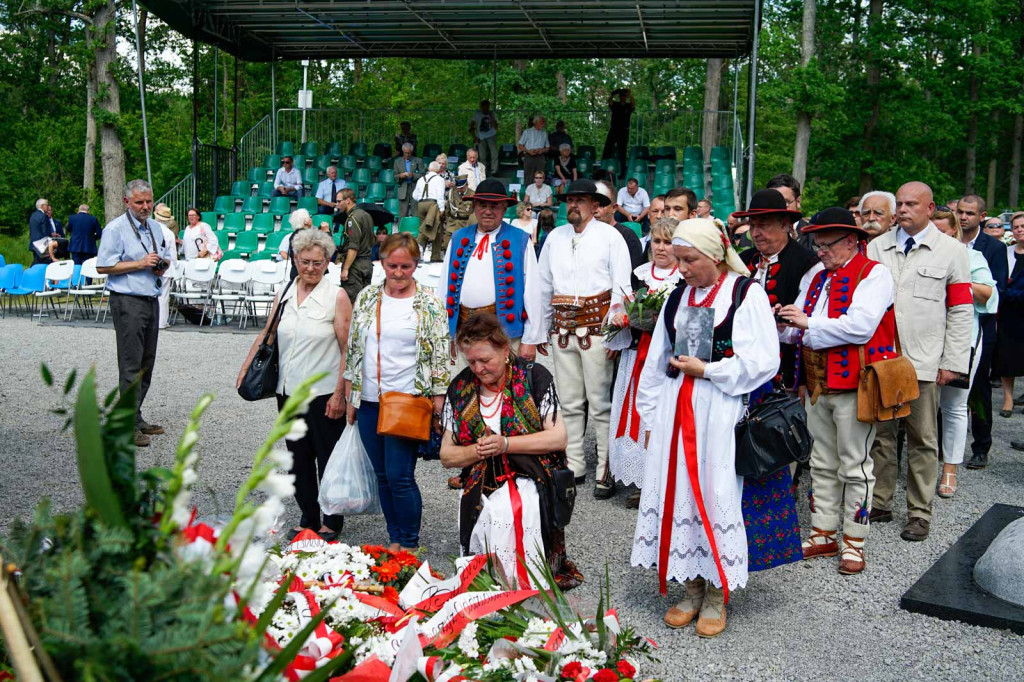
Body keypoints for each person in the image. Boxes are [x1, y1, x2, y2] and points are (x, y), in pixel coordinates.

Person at [631, 218, 780, 638]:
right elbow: (658, 358)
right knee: (678, 492)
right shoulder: (678, 297)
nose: (681, 268)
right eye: (677, 259)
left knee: (714, 494)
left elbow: (764, 360)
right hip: (676, 410)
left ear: (715, 256)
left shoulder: (744, 293)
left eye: (689, 259)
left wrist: (709, 369)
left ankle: (717, 593)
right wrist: (650, 414)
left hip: (718, 407)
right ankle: (691, 586)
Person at [776, 208, 895, 575]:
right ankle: (823, 532)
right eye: (816, 243)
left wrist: (807, 322)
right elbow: (800, 331)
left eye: (826, 244)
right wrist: (784, 323)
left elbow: (860, 327)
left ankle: (855, 542)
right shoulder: (816, 277)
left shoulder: (875, 274)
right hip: (815, 383)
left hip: (855, 384)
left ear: (850, 241)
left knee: (856, 465)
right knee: (822, 463)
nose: (819, 250)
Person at [440, 313, 583, 590]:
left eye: (486, 360)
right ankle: (488, 582)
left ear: (505, 351)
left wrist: (505, 444)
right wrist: (478, 451)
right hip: (480, 476)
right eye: (471, 362)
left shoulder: (533, 376)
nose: (479, 369)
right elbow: (447, 455)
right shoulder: (460, 387)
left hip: (532, 473)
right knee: (483, 507)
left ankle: (521, 583)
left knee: (512, 506)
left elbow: (558, 437)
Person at [866, 181, 973, 541]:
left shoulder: (951, 251)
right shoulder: (875, 246)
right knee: (881, 434)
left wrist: (953, 361)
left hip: (924, 361)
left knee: (922, 439)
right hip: (881, 359)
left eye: (912, 203)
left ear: (930, 209)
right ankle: (880, 501)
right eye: (900, 203)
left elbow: (960, 310)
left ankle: (919, 512)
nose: (903, 209)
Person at [238, 228, 352, 542]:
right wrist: (246, 367)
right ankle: (308, 516)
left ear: (328, 261)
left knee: (328, 459)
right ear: (296, 260)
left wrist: (341, 394)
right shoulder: (285, 291)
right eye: (305, 261)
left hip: (325, 393)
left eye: (318, 262)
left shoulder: (337, 295)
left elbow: (348, 349)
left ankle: (331, 519)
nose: (311, 268)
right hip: (287, 393)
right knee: (298, 458)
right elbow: (268, 335)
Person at [344, 233, 450, 552]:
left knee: (400, 475)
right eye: (392, 266)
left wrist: (438, 401)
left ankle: (409, 541)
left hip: (408, 399)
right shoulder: (367, 297)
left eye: (406, 266)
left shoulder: (429, 302)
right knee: (382, 476)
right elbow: (353, 348)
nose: (399, 273)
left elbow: (441, 353)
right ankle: (394, 537)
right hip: (369, 399)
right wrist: (351, 395)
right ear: (382, 263)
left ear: (416, 265)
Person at [538, 178, 632, 498]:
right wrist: (540, 329)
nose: (573, 205)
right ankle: (574, 463)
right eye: (570, 200)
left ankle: (606, 467)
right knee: (570, 401)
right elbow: (543, 286)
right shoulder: (554, 238)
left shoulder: (611, 237)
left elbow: (621, 286)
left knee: (601, 402)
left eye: (580, 200)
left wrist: (615, 333)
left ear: (596, 206)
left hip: (598, 329)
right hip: (562, 330)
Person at [609, 218, 682, 508]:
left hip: (669, 361)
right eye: (656, 241)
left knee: (666, 415)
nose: (661, 248)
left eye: (667, 242)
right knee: (635, 415)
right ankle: (642, 481)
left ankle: (667, 481)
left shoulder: (682, 277)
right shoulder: (638, 275)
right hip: (637, 355)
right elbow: (620, 302)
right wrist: (620, 316)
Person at [438, 177, 546, 373]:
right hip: (465, 330)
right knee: (467, 390)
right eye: (482, 205)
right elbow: (444, 289)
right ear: (474, 207)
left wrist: (531, 339)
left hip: (504, 333)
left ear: (505, 208)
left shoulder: (520, 240)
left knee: (506, 391)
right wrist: (446, 334)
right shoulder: (458, 238)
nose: (488, 211)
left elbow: (533, 292)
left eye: (494, 206)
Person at [95, 180, 173, 447]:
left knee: (146, 364)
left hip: (150, 297)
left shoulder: (154, 227)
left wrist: (160, 266)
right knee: (130, 364)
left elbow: (160, 256)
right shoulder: (115, 228)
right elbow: (103, 266)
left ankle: (135, 416)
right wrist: (140, 263)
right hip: (128, 301)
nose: (146, 207)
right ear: (127, 202)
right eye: (139, 202)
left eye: (149, 201)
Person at [931, 206, 997, 495]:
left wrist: (956, 280)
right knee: (922, 406)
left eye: (943, 232)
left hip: (963, 339)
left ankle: (950, 470)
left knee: (954, 406)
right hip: (926, 340)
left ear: (954, 233)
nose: (937, 238)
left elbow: (988, 295)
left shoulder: (972, 257)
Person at [735, 189, 821, 389]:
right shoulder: (743, 260)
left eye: (763, 226)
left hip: (787, 372)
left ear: (784, 224)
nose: (755, 233)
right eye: (753, 226)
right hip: (743, 365)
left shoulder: (808, 263)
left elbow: (808, 323)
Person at [955, 194, 1009, 470]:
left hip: (982, 325)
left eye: (970, 213)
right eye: (961, 212)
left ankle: (981, 445)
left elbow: (995, 291)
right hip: (949, 324)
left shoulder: (993, 247)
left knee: (978, 387)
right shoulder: (947, 243)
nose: (964, 217)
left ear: (982, 216)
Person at [996, 211, 1024, 419]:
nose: (1020, 230)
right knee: (1007, 356)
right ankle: (1008, 398)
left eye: (1023, 226)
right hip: (1008, 313)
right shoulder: (1005, 252)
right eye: (1016, 227)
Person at [335, 188, 375, 303]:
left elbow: (353, 247)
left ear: (347, 200)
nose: (337, 204)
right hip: (367, 263)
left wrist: (346, 269)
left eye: (339, 201)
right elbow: (372, 240)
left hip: (355, 265)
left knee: (351, 303)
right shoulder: (367, 215)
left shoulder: (352, 218)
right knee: (364, 304)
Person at [596, 180, 645, 271]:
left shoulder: (628, 237)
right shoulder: (583, 235)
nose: (595, 210)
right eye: (592, 205)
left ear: (614, 208)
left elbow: (634, 275)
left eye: (601, 205)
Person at [412, 161, 447, 261]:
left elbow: (414, 195)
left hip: (420, 204)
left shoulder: (420, 179)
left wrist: (422, 198)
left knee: (424, 227)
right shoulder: (439, 179)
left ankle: (420, 251)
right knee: (435, 228)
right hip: (432, 205)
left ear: (428, 169)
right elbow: (440, 195)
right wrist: (442, 209)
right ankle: (433, 255)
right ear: (438, 170)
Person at [766, 173, 810, 250]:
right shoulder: (753, 236)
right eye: (773, 203)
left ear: (798, 201)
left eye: (785, 202)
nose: (779, 208)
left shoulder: (813, 236)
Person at [603, 88, 634, 171]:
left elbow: (633, 105)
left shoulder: (628, 106)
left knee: (622, 151)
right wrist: (612, 94)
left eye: (624, 96)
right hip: (614, 130)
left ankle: (622, 170)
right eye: (621, 96)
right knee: (608, 148)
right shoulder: (616, 105)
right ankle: (604, 168)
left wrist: (630, 95)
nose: (622, 98)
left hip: (623, 131)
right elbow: (610, 102)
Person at [393, 143, 426, 219]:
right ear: (403, 151)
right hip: (402, 188)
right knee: (402, 214)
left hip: (415, 188)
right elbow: (394, 176)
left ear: (411, 152)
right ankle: (401, 230)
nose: (407, 155)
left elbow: (423, 175)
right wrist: (400, 176)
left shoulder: (418, 160)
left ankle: (416, 230)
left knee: (416, 213)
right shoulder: (397, 162)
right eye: (405, 153)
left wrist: (413, 175)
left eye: (409, 153)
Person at [470, 100, 499, 175]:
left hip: (491, 135)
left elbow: (496, 126)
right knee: (482, 155)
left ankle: (494, 170)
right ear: (481, 107)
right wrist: (474, 137)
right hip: (481, 136)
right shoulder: (477, 114)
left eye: (487, 107)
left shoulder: (492, 114)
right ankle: (483, 171)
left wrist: (491, 116)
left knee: (494, 153)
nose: (486, 109)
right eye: (484, 107)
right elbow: (471, 126)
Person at [517, 115, 549, 181]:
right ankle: (528, 190)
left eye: (544, 122)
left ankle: (540, 191)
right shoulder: (527, 132)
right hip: (529, 156)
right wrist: (528, 151)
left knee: (540, 177)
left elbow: (547, 147)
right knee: (528, 176)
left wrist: (542, 150)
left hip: (540, 157)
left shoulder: (544, 133)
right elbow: (520, 145)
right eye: (542, 122)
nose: (543, 124)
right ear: (536, 122)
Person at [28, 198, 53, 264]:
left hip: (33, 243)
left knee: (36, 262)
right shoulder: (43, 216)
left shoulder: (33, 215)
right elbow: (45, 231)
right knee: (44, 263)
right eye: (46, 205)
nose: (48, 207)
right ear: (42, 206)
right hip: (42, 245)